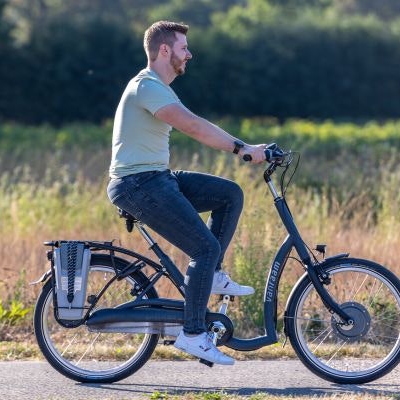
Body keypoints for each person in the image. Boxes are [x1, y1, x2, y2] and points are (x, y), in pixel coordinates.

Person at [106, 21, 267, 366]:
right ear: (164, 50)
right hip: (138, 184)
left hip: (156, 177)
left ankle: (213, 276)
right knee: (203, 247)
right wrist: (242, 148)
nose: (189, 54)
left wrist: (246, 148)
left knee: (229, 195)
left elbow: (194, 121)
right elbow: (192, 125)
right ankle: (193, 334)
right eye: (184, 48)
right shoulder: (146, 86)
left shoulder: (158, 87)